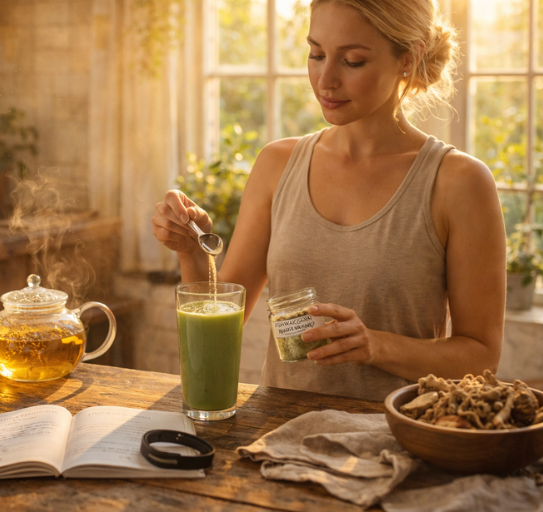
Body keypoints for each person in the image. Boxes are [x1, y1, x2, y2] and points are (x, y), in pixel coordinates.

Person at [152, 0, 506, 400]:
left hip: (396, 442)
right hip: (276, 442)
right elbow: (221, 318)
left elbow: (480, 356)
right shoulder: (276, 164)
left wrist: (375, 345)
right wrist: (189, 251)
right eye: (316, 54)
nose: (325, 80)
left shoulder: (459, 183)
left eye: (352, 61)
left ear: (408, 59)